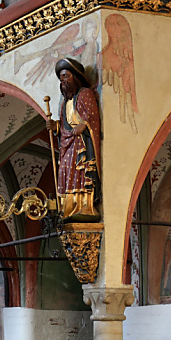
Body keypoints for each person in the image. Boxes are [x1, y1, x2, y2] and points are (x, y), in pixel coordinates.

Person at [46, 58, 101, 220]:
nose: (62, 80)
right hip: (68, 142)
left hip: (81, 142)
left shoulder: (85, 94)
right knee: (66, 171)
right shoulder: (65, 102)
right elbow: (64, 126)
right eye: (61, 78)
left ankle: (85, 206)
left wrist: (84, 124)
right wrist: (55, 127)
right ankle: (70, 207)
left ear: (75, 78)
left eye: (66, 76)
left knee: (81, 172)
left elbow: (93, 116)